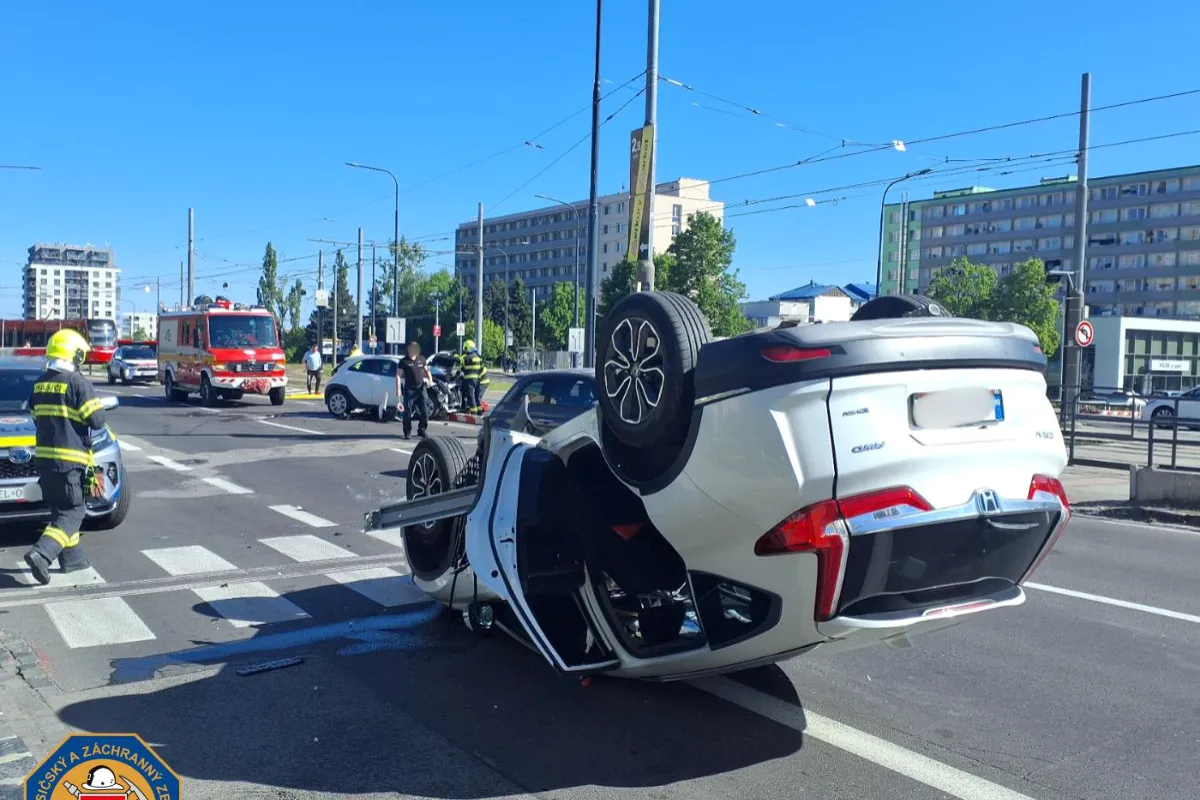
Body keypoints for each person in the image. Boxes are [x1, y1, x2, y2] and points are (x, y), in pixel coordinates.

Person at [23, 329, 108, 585]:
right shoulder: (77, 382)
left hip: (44, 460)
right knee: (74, 510)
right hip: (70, 461)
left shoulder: (39, 383)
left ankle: (72, 559)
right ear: (74, 354)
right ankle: (42, 553)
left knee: (61, 509)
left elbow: (35, 416)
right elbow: (97, 420)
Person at [397, 341, 430, 439]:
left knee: (425, 411)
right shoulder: (403, 361)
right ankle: (407, 431)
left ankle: (422, 430)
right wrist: (398, 389)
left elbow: (427, 371)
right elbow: (398, 375)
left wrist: (430, 380)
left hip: (421, 389)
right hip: (409, 390)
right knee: (407, 412)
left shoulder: (422, 359)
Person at [460, 340, 486, 414]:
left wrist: (455, 355)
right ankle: (480, 412)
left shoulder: (466, 357)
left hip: (469, 379)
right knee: (476, 397)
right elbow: (481, 367)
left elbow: (461, 364)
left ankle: (474, 413)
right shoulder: (479, 357)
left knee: (471, 396)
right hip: (477, 379)